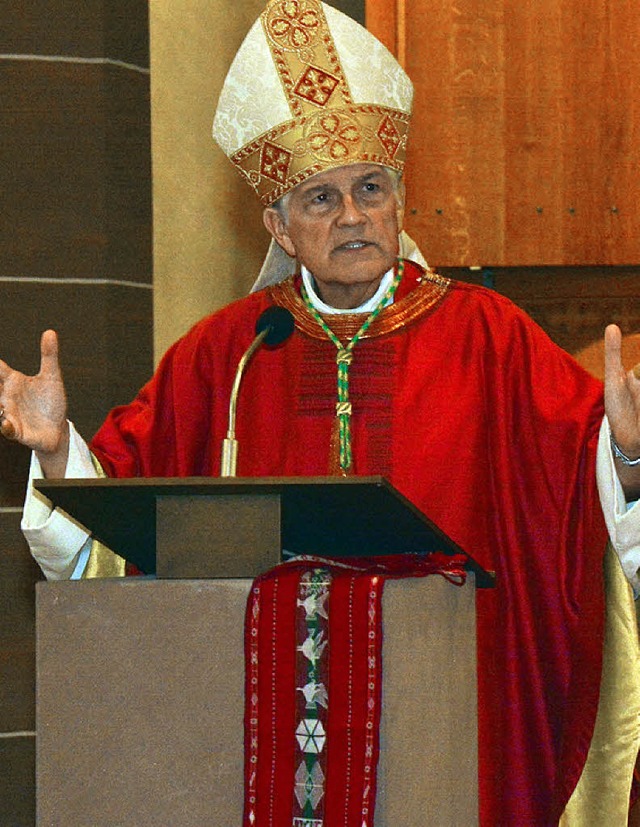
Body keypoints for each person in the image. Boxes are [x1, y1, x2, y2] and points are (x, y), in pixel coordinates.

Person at [2, 0, 640, 822]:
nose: (352, 215)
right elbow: (119, 522)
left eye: (371, 188)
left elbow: (580, 490)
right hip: (260, 723)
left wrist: (622, 453)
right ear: (278, 225)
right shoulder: (229, 353)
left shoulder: (490, 337)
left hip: (443, 719)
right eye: (321, 198)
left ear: (399, 198)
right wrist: (58, 453)